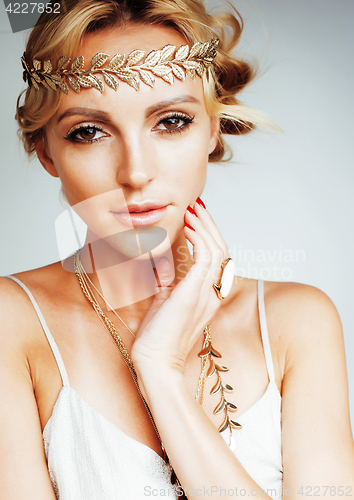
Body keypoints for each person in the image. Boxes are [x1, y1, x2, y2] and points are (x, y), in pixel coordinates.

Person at [0, 0, 353, 499]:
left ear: (212, 129)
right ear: (47, 152)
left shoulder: (297, 322)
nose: (136, 172)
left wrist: (161, 373)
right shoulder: (11, 322)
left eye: (170, 122)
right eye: (89, 132)